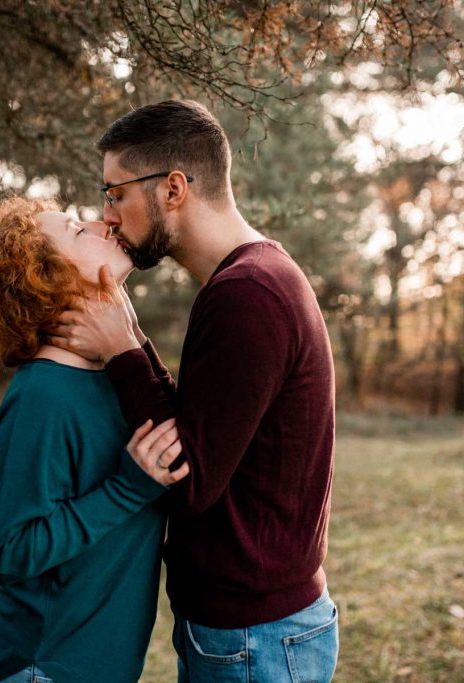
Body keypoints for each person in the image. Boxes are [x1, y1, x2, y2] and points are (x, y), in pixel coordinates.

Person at [50, 99, 339, 682]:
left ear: (173, 188)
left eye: (116, 193)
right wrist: (130, 337)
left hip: (255, 637)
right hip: (254, 629)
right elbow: (203, 425)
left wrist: (124, 356)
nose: (108, 215)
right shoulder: (249, 280)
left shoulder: (248, 294)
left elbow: (188, 477)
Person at [0, 197, 189, 683]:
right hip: (39, 667)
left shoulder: (115, 378)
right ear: (46, 278)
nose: (101, 224)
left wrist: (128, 338)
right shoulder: (40, 397)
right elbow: (7, 551)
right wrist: (128, 488)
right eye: (77, 230)